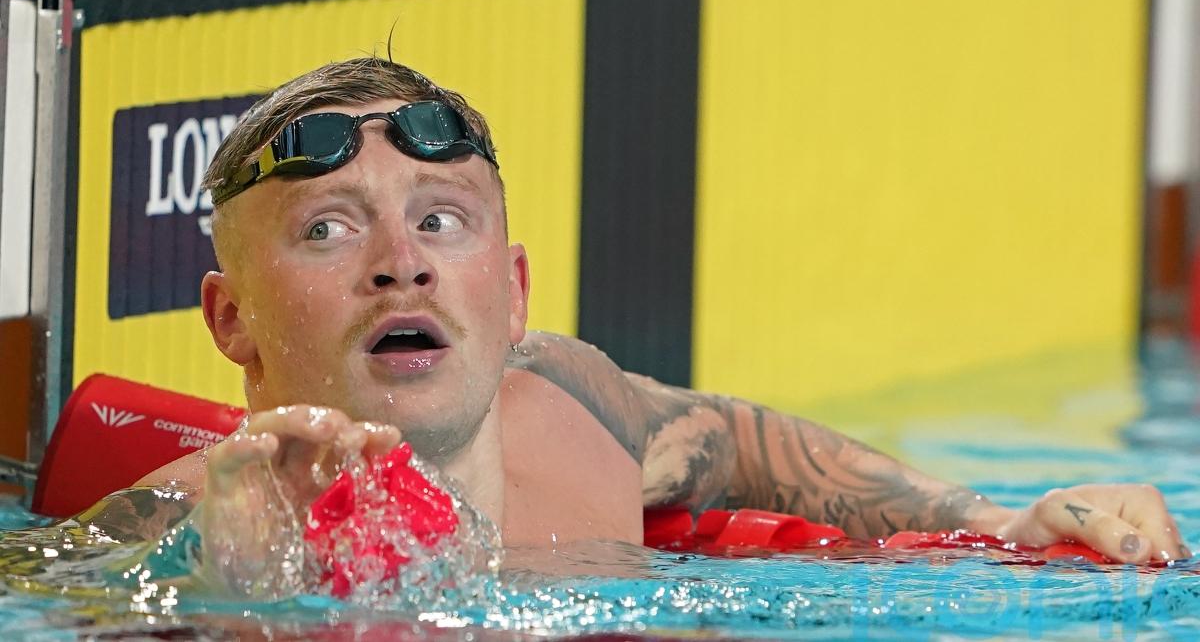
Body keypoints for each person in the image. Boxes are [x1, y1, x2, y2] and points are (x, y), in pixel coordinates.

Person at [109, 57, 1185, 592]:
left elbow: (738, 439)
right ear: (230, 319)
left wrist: (998, 516)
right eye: (331, 229)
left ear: (515, 294)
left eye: (441, 219)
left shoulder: (573, 408)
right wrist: (225, 595)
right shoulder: (163, 530)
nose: (403, 261)